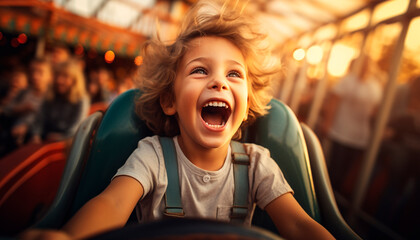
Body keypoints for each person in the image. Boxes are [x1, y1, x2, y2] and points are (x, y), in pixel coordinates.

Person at [21, 1, 334, 239]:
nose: (219, 83)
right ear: (170, 101)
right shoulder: (153, 155)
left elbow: (297, 222)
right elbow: (113, 205)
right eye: (200, 70)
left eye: (234, 74)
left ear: (248, 102)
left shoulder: (256, 165)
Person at [319, 57, 383, 193]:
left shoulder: (374, 85)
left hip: (360, 136)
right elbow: (333, 102)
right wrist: (327, 122)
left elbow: (376, 110)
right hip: (342, 130)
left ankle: (335, 196)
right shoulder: (348, 80)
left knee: (347, 171)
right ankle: (325, 195)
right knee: (334, 167)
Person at [0, 58, 52, 154]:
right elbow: (6, 109)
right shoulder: (24, 92)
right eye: (33, 71)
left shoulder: (52, 98)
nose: (35, 76)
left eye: (40, 72)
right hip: (11, 138)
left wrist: (27, 127)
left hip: (34, 143)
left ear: (50, 76)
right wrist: (20, 109)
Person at [31, 60, 89, 143]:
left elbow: (77, 128)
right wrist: (35, 135)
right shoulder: (50, 95)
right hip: (45, 140)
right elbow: (39, 120)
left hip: (65, 144)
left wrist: (61, 137)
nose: (59, 80)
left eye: (65, 76)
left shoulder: (81, 99)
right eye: (57, 75)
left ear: (74, 80)